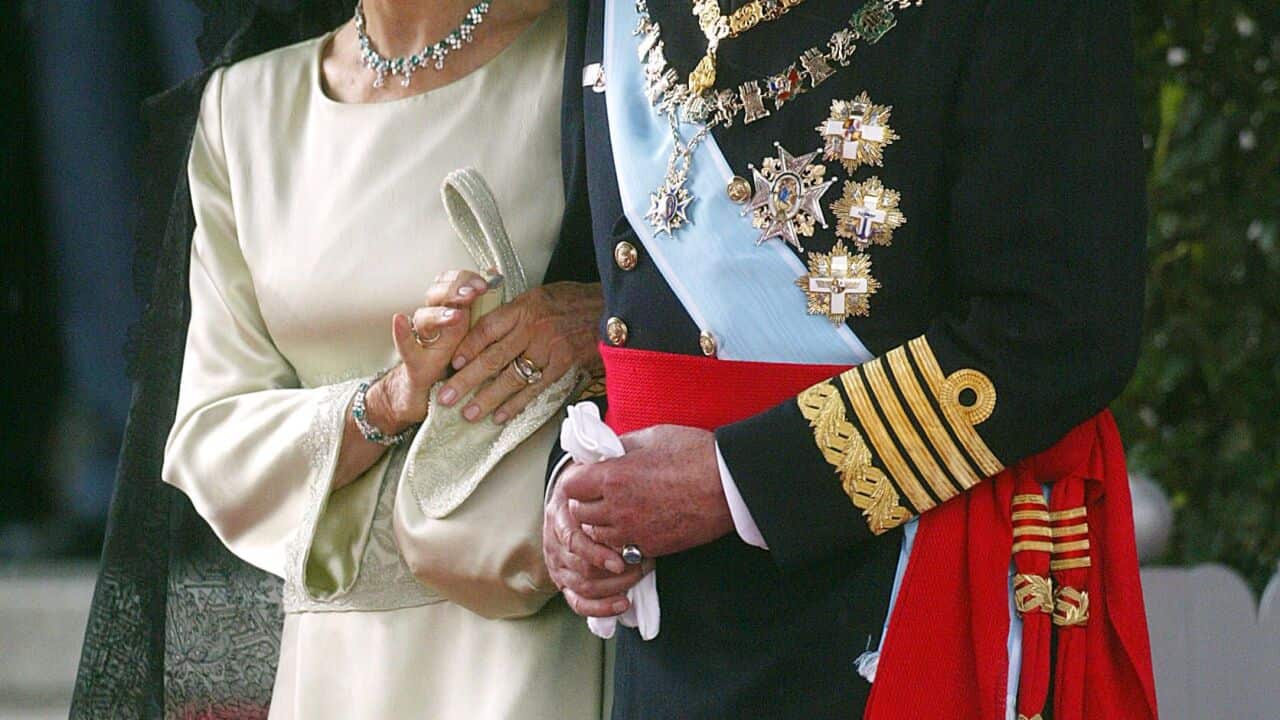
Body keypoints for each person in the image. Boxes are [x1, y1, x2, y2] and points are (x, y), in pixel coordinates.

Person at [544, 1, 1159, 718]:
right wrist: (578, 496)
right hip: (671, 633)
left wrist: (735, 481)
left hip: (907, 601)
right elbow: (600, 296)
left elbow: (1063, 328)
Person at [73, 1, 613, 717]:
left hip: (537, 641)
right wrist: (391, 399)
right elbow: (208, 431)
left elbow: (704, 304)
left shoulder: (592, 54)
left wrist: (597, 319)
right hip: (336, 669)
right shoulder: (244, 109)